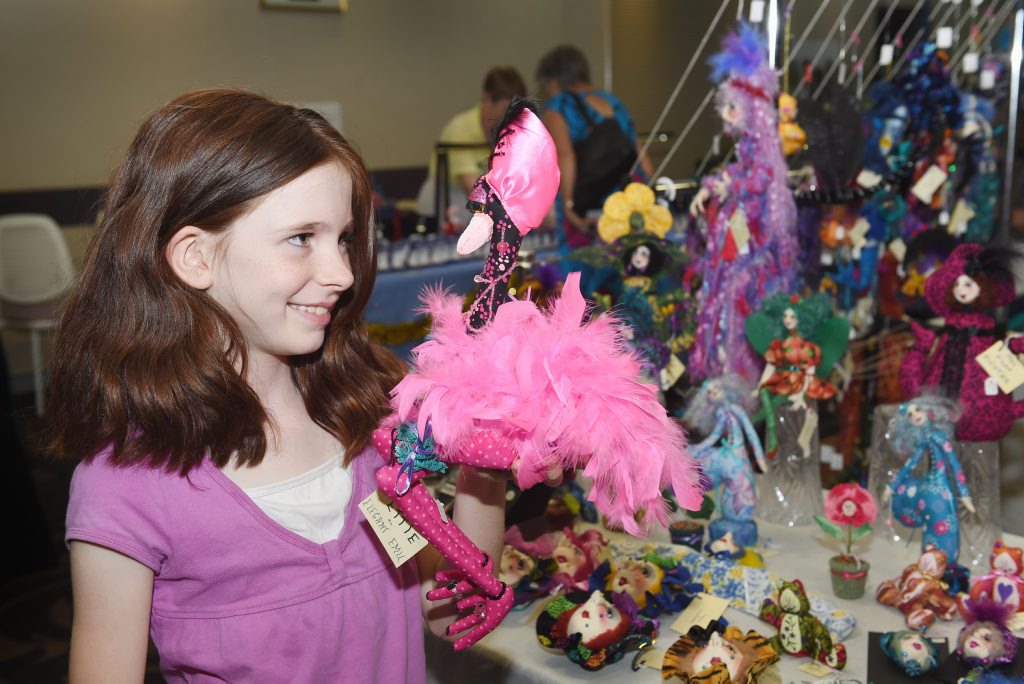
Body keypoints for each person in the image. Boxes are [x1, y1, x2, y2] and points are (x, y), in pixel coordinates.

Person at [49, 88, 510, 682]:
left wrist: (485, 476)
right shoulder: (127, 486)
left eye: (343, 239)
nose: (342, 273)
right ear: (195, 257)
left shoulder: (366, 418)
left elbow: (447, 615)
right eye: (301, 238)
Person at [536, 45, 653, 252]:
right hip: (628, 200)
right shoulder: (613, 101)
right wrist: (650, 190)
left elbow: (565, 155)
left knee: (586, 273)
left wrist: (569, 204)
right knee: (630, 263)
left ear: (554, 81)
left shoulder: (559, 106)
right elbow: (638, 150)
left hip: (588, 207)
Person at [415, 66, 527, 231]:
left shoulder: (511, 132)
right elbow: (475, 191)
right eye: (505, 108)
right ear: (488, 99)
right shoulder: (460, 129)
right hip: (441, 210)